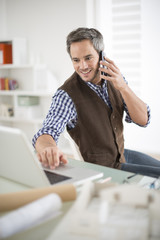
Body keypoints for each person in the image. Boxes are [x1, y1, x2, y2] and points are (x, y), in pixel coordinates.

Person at [32, 27, 160, 178]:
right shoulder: (66, 95)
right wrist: (48, 149)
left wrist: (123, 87)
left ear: (101, 55)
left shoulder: (115, 78)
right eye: (76, 60)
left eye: (88, 58)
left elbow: (143, 120)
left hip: (121, 154)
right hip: (106, 169)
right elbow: (47, 130)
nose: (83, 66)